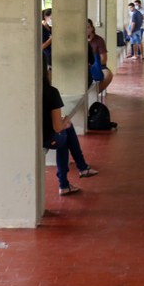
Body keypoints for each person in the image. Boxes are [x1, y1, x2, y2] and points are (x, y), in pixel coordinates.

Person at [42, 61, 98, 196]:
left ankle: (80, 171)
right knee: (65, 131)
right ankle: (70, 178)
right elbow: (56, 127)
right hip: (46, 138)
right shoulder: (51, 92)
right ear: (46, 71)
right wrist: (66, 120)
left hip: (30, 135)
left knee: (66, 130)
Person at [87, 19, 113, 93]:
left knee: (108, 75)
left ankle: (95, 93)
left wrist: (92, 65)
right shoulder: (79, 40)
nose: (86, 30)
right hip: (83, 66)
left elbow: (103, 60)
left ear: (92, 28)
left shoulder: (98, 40)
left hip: (97, 65)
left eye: (88, 27)